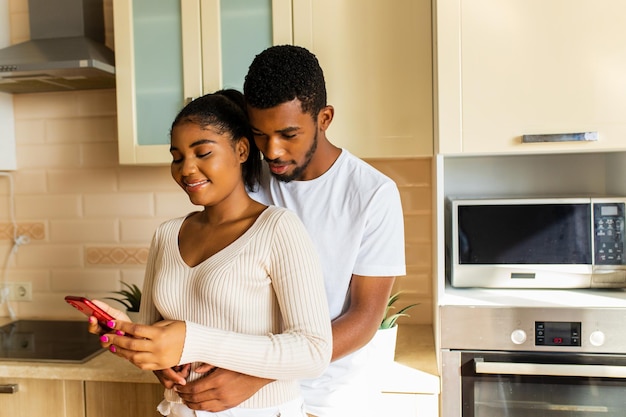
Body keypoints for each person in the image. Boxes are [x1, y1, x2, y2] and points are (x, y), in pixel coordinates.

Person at [166, 45, 407, 417]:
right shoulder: (248, 179)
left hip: (329, 397)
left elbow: (363, 318)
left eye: (288, 134)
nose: (273, 151)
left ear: (324, 118)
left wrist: (258, 375)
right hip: (243, 399)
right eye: (261, 135)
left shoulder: (372, 194)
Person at [90, 89, 332, 417]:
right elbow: (154, 335)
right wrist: (125, 336)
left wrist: (191, 338)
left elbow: (313, 351)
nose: (187, 169)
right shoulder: (166, 234)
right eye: (177, 157)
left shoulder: (278, 229)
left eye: (202, 153)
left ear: (242, 150)